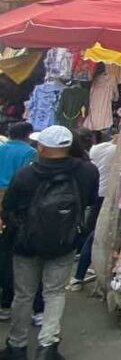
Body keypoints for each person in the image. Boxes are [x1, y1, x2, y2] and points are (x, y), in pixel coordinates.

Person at [0, 125, 98, 360]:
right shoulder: (86, 171)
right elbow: (89, 201)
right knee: (54, 293)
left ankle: (17, 345)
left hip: (26, 244)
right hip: (64, 243)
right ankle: (47, 347)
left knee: (23, 294)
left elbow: (9, 207)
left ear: (42, 147)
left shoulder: (26, 174)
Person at [0, 123, 36, 321]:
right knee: (13, 249)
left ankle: (5, 303)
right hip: (17, 200)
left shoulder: (1, 148)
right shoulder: (30, 152)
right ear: (28, 135)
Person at [71, 129, 115, 288]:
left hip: (100, 193)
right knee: (95, 233)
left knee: (92, 229)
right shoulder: (116, 150)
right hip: (111, 196)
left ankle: (80, 271)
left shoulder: (95, 150)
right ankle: (80, 274)